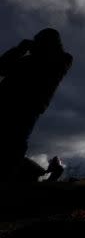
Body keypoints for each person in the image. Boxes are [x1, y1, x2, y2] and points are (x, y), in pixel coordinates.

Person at [0, 28, 72, 181]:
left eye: (38, 39)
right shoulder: (25, 60)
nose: (34, 42)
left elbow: (51, 64)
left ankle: (22, 177)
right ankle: (34, 175)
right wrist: (18, 50)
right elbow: (1, 67)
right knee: (10, 146)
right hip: (5, 104)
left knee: (14, 144)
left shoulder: (62, 59)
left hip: (27, 107)